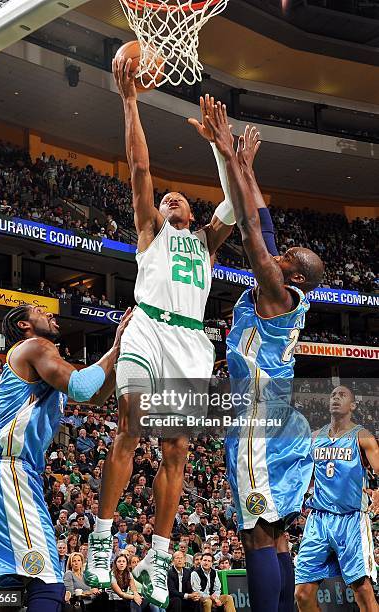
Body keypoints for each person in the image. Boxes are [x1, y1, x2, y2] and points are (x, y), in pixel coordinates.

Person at [85, 61, 236, 609]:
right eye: (164, 197)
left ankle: (159, 554)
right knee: (130, 424)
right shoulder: (149, 232)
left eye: (178, 198)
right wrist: (130, 101)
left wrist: (221, 148)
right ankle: (102, 540)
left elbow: (238, 204)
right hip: (146, 326)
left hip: (193, 342)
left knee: (177, 447)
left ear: (192, 212)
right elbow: (140, 167)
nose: (169, 199)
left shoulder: (208, 241)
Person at [204, 98, 324, 612]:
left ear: (292, 276)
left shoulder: (276, 292)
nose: (277, 253)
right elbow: (266, 226)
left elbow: (253, 234)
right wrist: (249, 171)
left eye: (286, 258)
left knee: (255, 531)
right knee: (274, 533)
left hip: (258, 421)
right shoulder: (288, 291)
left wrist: (228, 154)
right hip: (279, 420)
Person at [0, 303, 131, 612]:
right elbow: (80, 386)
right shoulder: (36, 346)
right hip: (6, 471)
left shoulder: (39, 363)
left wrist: (121, 355)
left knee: (9, 587)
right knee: (49, 581)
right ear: (25, 326)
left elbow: (95, 395)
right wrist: (116, 347)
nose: (51, 314)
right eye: (40, 310)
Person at [295, 386, 379, 611]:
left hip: (350, 519)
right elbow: (299, 474)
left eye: (342, 395)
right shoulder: (315, 437)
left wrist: (378, 492)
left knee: (362, 591)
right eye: (332, 395)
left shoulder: (362, 436)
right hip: (319, 519)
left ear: (352, 405)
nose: (335, 398)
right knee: (302, 593)